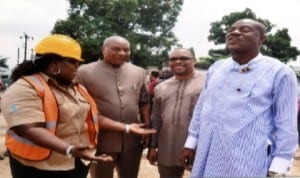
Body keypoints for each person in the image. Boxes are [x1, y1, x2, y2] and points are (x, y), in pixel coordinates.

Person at [0, 34, 155, 178]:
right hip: (38, 166)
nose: (77, 67)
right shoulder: (25, 88)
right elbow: (29, 129)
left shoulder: (76, 89)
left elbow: (94, 116)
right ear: (55, 64)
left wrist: (127, 128)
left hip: (75, 163)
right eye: (73, 62)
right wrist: (70, 149)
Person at [179, 18, 298, 177]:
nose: (234, 33)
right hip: (207, 154)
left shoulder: (280, 72)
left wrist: (280, 165)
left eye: (245, 30)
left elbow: (286, 124)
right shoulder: (217, 68)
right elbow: (202, 107)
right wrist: (191, 143)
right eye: (231, 30)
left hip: (247, 160)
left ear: (261, 39)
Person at [76, 35, 151, 178]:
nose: (122, 53)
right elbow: (82, 108)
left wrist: (146, 125)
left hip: (132, 141)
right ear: (103, 49)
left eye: (126, 50)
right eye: (116, 49)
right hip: (101, 140)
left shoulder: (139, 72)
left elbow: (144, 101)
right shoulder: (84, 72)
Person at [147, 48, 205, 178]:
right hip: (168, 144)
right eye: (173, 59)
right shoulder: (161, 88)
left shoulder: (207, 83)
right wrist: (153, 146)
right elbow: (156, 119)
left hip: (200, 145)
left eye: (184, 58)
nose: (178, 61)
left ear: (194, 61)